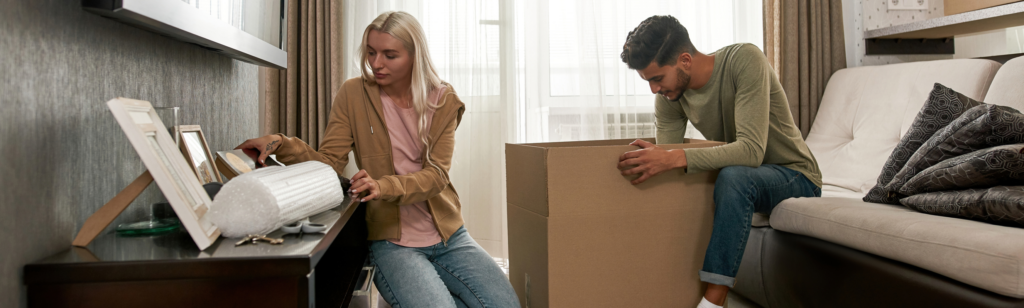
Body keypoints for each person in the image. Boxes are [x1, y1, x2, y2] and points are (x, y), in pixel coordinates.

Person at [236, 11, 519, 308]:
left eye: (390, 55)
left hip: (450, 236)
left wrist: (384, 186)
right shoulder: (354, 94)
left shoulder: (443, 99)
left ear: (414, 56)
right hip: (392, 243)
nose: (376, 63)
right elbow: (329, 162)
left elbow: (437, 175)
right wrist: (282, 144)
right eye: (371, 52)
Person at [616, 15, 822, 308]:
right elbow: (669, 163)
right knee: (711, 176)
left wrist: (673, 156)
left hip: (796, 176)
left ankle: (713, 302)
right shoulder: (669, 98)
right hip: (748, 178)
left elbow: (751, 151)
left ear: (685, 60)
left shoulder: (744, 60)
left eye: (657, 78)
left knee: (734, 176)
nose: (653, 89)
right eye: (648, 81)